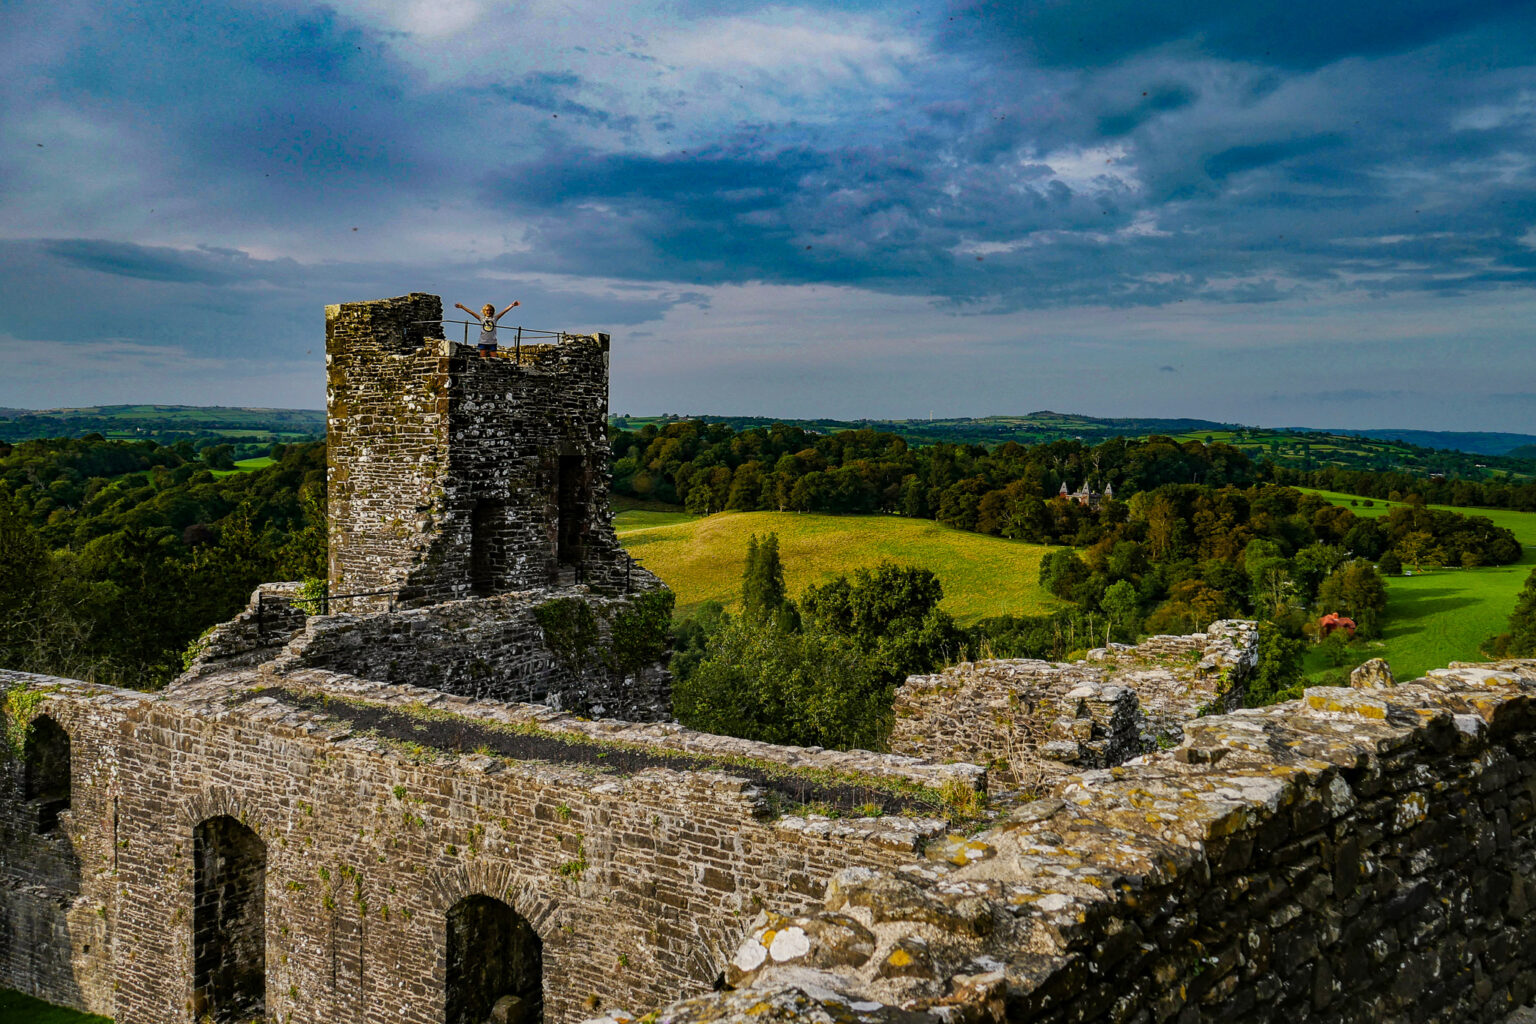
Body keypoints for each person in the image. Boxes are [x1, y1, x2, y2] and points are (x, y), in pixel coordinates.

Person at [454, 299, 519, 357]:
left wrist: (512, 305)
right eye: (487, 310)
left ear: (493, 311)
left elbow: (504, 311)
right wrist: (462, 307)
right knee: (482, 358)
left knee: (494, 358)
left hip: (492, 342)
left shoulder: (495, 318)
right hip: (483, 342)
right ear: (484, 311)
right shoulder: (482, 318)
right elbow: (471, 312)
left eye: (490, 310)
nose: (489, 312)